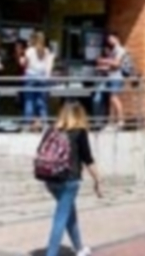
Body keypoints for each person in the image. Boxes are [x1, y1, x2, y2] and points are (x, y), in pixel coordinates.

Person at [42, 102, 101, 256]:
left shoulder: (51, 130)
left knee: (69, 213)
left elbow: (40, 153)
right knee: (61, 218)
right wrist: (97, 179)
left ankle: (79, 248)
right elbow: (87, 159)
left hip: (50, 179)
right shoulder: (79, 132)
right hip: (69, 180)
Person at [94, 32, 126, 130]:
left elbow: (117, 64)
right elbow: (111, 66)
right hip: (111, 76)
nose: (109, 41)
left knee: (114, 98)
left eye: (111, 38)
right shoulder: (114, 50)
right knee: (111, 99)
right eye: (109, 39)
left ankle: (121, 121)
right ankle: (113, 121)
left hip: (116, 77)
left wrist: (104, 61)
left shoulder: (120, 50)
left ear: (116, 38)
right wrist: (103, 68)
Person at [24, 32, 55, 131]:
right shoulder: (46, 51)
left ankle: (27, 124)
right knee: (42, 102)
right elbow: (48, 68)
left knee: (29, 101)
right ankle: (44, 123)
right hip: (42, 78)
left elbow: (26, 64)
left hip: (31, 77)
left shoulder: (29, 51)